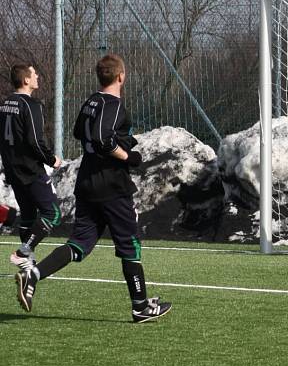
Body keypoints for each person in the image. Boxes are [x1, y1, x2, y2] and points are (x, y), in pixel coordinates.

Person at [15, 54, 172, 323]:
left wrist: (120, 139)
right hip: (111, 185)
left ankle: (34, 274)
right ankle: (140, 306)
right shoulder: (114, 104)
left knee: (79, 244)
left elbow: (80, 132)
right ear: (121, 76)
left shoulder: (91, 101)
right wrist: (127, 156)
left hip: (87, 183)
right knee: (130, 244)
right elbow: (101, 138)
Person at [0, 64, 62, 271]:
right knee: (52, 213)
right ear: (26, 80)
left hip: (12, 169)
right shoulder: (30, 105)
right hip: (29, 169)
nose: (38, 77)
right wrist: (51, 159)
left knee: (28, 214)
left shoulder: (5, 103)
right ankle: (23, 251)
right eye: (34, 74)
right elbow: (35, 140)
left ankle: (27, 263)